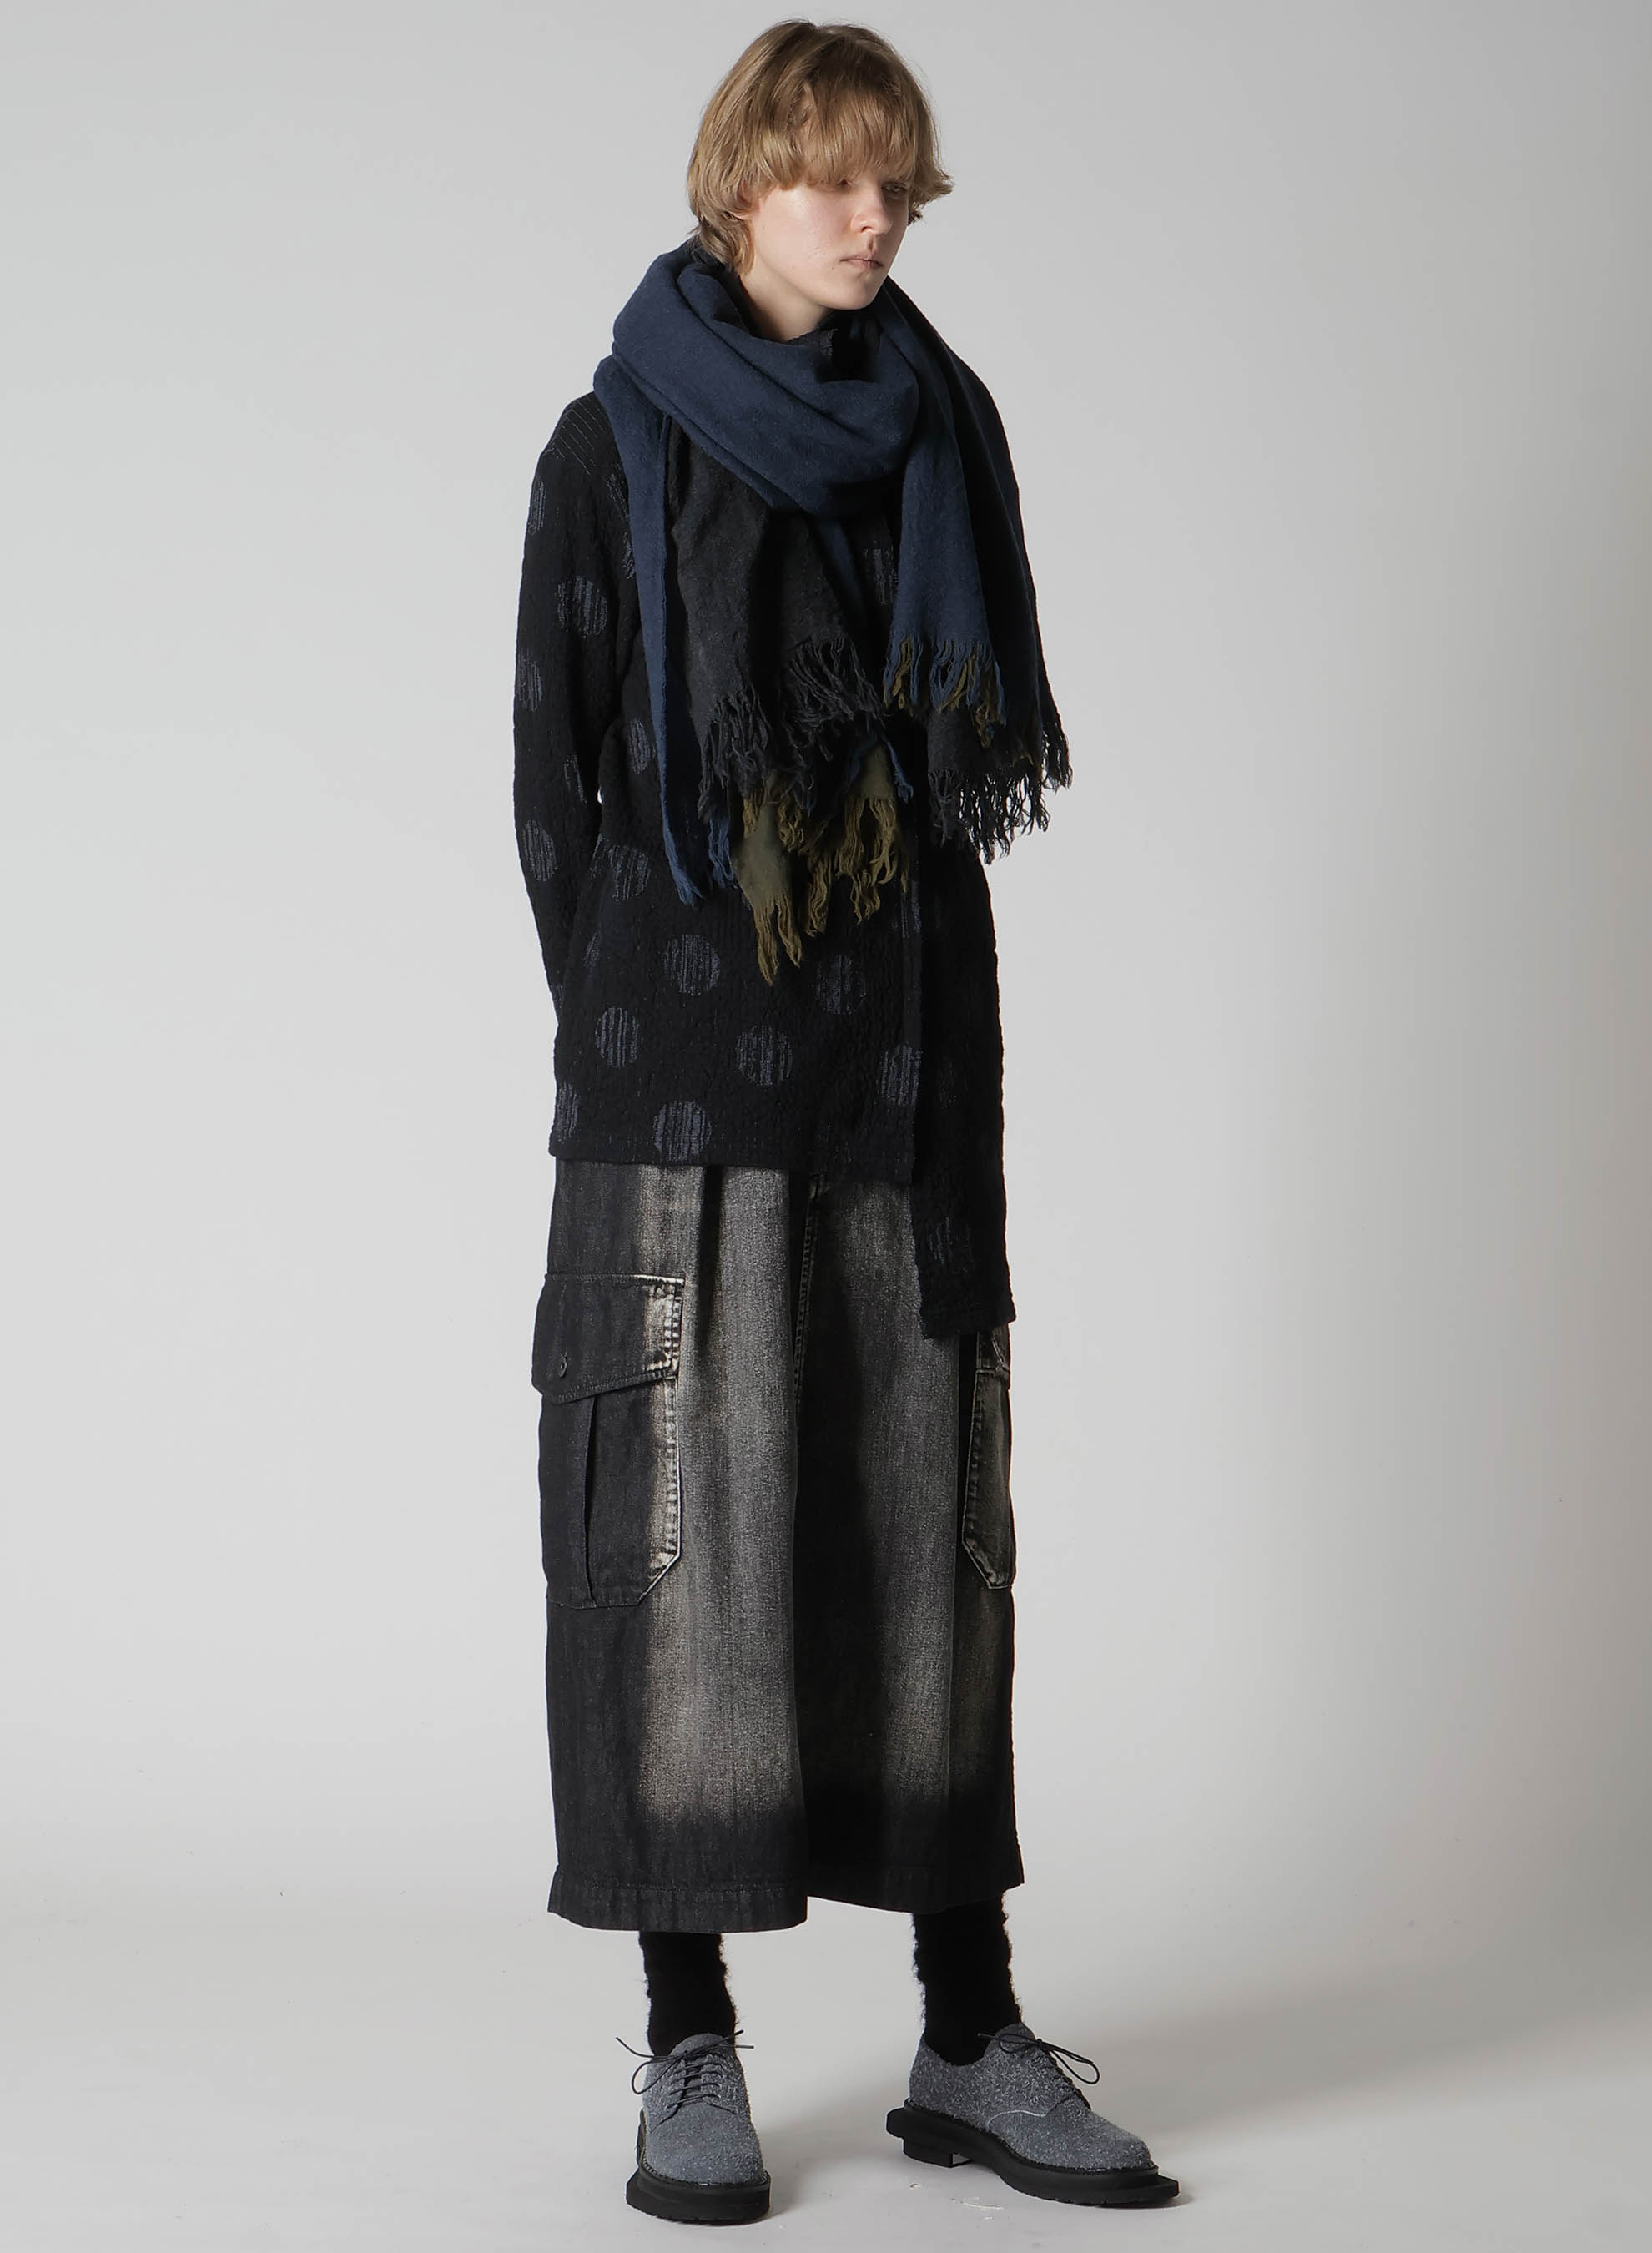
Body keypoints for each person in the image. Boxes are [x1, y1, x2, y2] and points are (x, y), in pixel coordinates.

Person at [512, 18, 1178, 2225]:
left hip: (902, 1060)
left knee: (923, 1541)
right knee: (682, 1558)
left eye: (896, 180)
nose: (874, 215)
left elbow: (961, 764)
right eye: (832, 176)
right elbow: (555, 791)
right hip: (684, 1084)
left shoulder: (938, 437)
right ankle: (690, 2039)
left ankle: (966, 2034)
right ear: (740, 186)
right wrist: (642, 1044)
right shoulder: (608, 449)